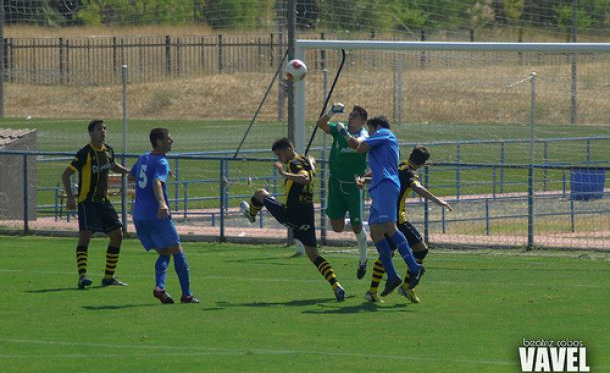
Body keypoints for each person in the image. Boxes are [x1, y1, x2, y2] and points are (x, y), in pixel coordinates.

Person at [239, 137, 346, 302]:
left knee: (260, 193)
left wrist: (283, 173)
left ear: (289, 149)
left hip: (292, 213)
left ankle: (251, 216)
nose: (279, 158)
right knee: (314, 255)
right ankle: (336, 285)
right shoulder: (305, 161)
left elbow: (305, 178)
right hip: (307, 213)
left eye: (279, 154)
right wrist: (311, 163)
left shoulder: (295, 164)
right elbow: (310, 168)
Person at [338, 116, 423, 296]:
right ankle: (392, 276)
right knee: (376, 232)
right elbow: (375, 163)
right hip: (378, 186)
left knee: (389, 227)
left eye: (369, 129)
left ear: (376, 127)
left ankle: (415, 267)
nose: (368, 133)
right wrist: (365, 179)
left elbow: (359, 147)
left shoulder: (384, 133)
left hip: (386, 184)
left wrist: (343, 133)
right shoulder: (382, 139)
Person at [359, 145, 452, 303]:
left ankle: (372, 291)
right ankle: (408, 287)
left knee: (387, 253)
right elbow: (417, 187)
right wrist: (438, 200)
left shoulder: (398, 165)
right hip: (398, 220)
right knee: (421, 250)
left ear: (410, 155)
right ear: (423, 163)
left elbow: (376, 173)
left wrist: (364, 178)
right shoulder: (410, 173)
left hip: (384, 215)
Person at [129, 127, 199, 304]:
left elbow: (131, 176)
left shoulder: (144, 157)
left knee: (164, 253)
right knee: (177, 251)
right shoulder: (161, 161)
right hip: (157, 215)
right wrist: (162, 203)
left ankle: (160, 287)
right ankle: (187, 295)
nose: (172, 141)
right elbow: (156, 182)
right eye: (168, 138)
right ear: (159, 142)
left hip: (139, 215)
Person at [61, 119, 130, 289]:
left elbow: (113, 166)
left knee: (117, 235)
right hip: (87, 201)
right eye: (99, 129)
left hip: (103, 201)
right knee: (85, 234)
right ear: (91, 133)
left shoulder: (108, 150)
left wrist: (129, 172)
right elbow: (66, 175)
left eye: (105, 128)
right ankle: (82, 276)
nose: (103, 131)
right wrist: (70, 197)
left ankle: (108, 277)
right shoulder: (85, 152)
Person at [316, 103, 370, 279]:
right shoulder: (340, 130)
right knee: (336, 227)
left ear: (363, 121)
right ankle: (362, 224)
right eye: (350, 115)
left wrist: (343, 132)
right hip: (336, 184)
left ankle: (363, 260)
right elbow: (321, 124)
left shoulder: (363, 134)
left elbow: (356, 145)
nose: (350, 118)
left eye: (354, 116)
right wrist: (331, 112)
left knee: (356, 228)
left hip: (354, 186)